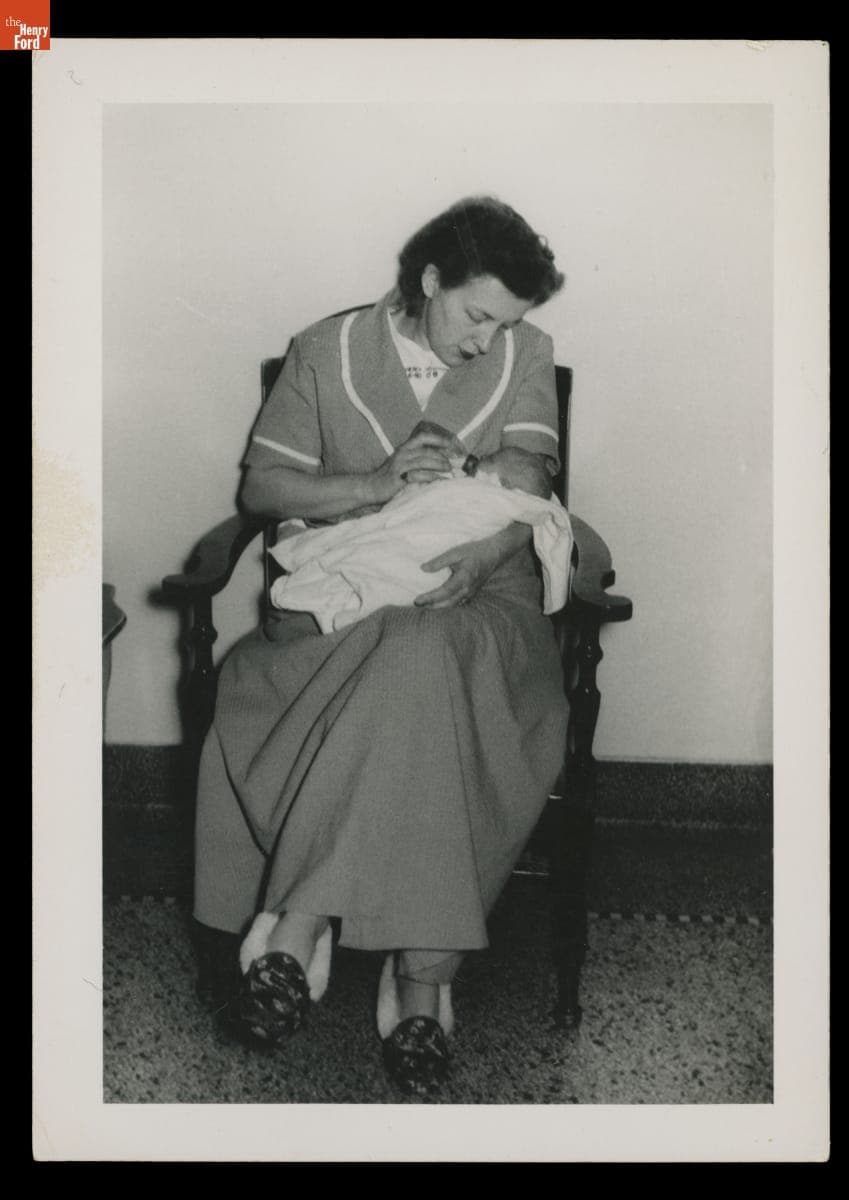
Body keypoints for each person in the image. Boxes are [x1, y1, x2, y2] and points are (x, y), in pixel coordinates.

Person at [193, 195, 570, 1096]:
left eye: (507, 323)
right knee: (404, 648)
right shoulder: (326, 352)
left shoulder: (526, 355)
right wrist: (371, 485)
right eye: (476, 315)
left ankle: (298, 923)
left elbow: (524, 491)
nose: (489, 341)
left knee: (423, 646)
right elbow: (263, 489)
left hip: (484, 596)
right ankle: (424, 984)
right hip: (342, 593)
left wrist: (476, 561)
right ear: (429, 278)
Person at [267, 443, 575, 634]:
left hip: (462, 576)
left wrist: (492, 550)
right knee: (366, 554)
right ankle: (322, 599)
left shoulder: (493, 496)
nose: (481, 456)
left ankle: (325, 601)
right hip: (394, 534)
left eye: (491, 457)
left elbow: (538, 504)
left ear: (504, 484)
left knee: (380, 569)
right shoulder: (314, 353)